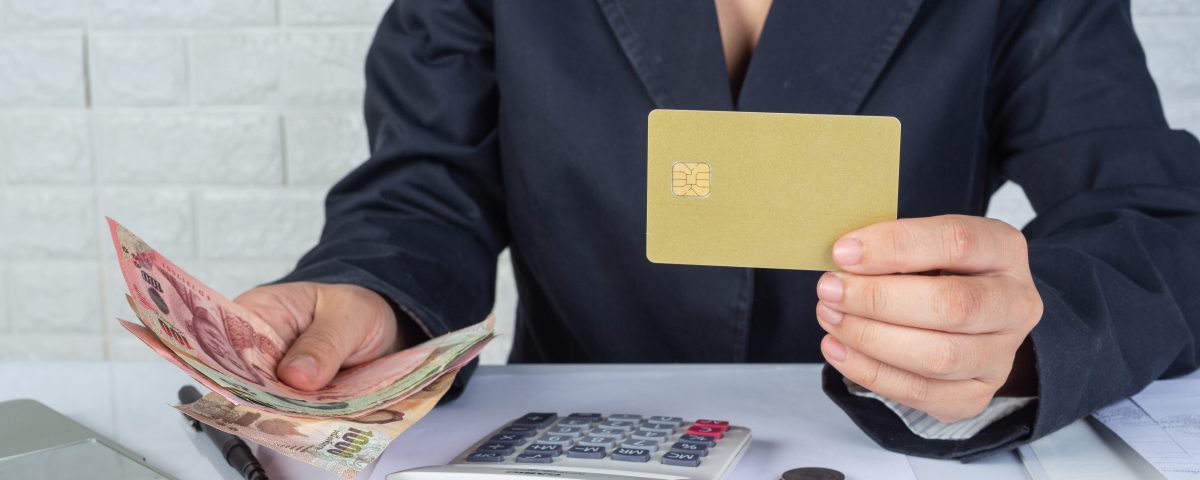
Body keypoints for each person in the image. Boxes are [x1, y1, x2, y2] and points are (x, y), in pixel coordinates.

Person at [233, 0, 1200, 459]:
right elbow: (424, 189)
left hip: (876, 448)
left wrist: (1027, 339)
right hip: (574, 449)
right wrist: (367, 297)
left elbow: (1159, 222)